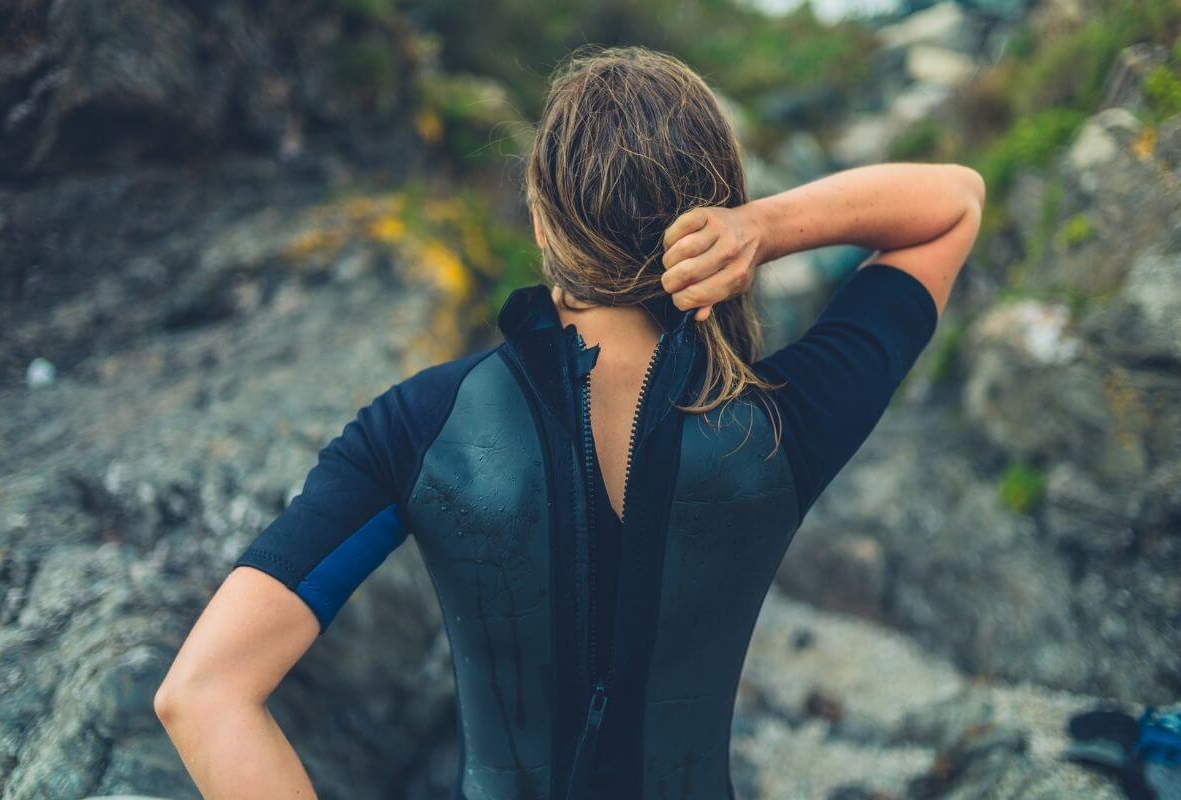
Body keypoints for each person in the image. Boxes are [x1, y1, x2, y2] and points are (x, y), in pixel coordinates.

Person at [153, 45, 984, 800]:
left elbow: (202, 694)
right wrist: (762, 230)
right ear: (712, 217)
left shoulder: (419, 426)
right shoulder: (784, 424)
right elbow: (954, 201)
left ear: (545, 221)